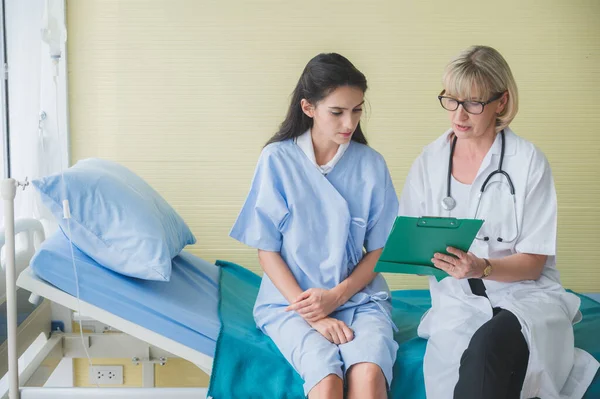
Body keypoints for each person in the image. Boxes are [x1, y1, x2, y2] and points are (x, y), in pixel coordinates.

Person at [399, 45, 600, 399]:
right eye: (451, 100)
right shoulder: (429, 163)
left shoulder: (528, 162)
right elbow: (411, 243)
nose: (459, 115)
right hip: (458, 300)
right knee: (474, 356)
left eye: (473, 103)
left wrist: (482, 267)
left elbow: (534, 263)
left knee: (489, 346)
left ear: (501, 102)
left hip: (524, 294)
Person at [230, 53, 399, 399]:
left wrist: (337, 296)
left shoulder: (371, 165)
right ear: (308, 108)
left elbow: (380, 250)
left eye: (357, 110)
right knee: (326, 380)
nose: (349, 122)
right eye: (337, 112)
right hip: (290, 301)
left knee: (368, 375)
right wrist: (313, 314)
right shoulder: (277, 160)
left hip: (358, 298)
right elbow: (267, 250)